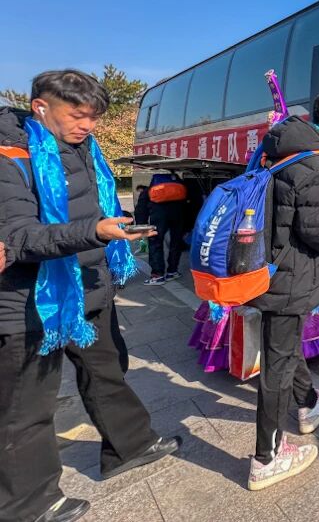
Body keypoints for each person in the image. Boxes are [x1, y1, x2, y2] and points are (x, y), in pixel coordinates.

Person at [0, 70, 180, 522]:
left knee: (108, 370)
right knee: (27, 408)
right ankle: (27, 505)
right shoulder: (11, 156)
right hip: (30, 301)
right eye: (77, 115)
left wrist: (109, 232)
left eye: (94, 117)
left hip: (87, 286)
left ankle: (129, 447)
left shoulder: (83, 148)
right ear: (41, 107)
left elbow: (90, 207)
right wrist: (95, 231)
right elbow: (19, 237)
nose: (87, 125)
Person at [246, 90, 319, 491]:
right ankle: (266, 457)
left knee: (283, 344)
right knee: (276, 365)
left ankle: (309, 402)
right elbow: (318, 232)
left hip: (267, 266)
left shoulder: (279, 148)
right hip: (291, 276)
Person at [144, 174, 187, 285]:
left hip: (158, 215)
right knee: (175, 243)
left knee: (155, 243)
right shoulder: (177, 181)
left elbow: (142, 206)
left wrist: (141, 224)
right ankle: (172, 271)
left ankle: (157, 275)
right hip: (177, 213)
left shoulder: (153, 185)